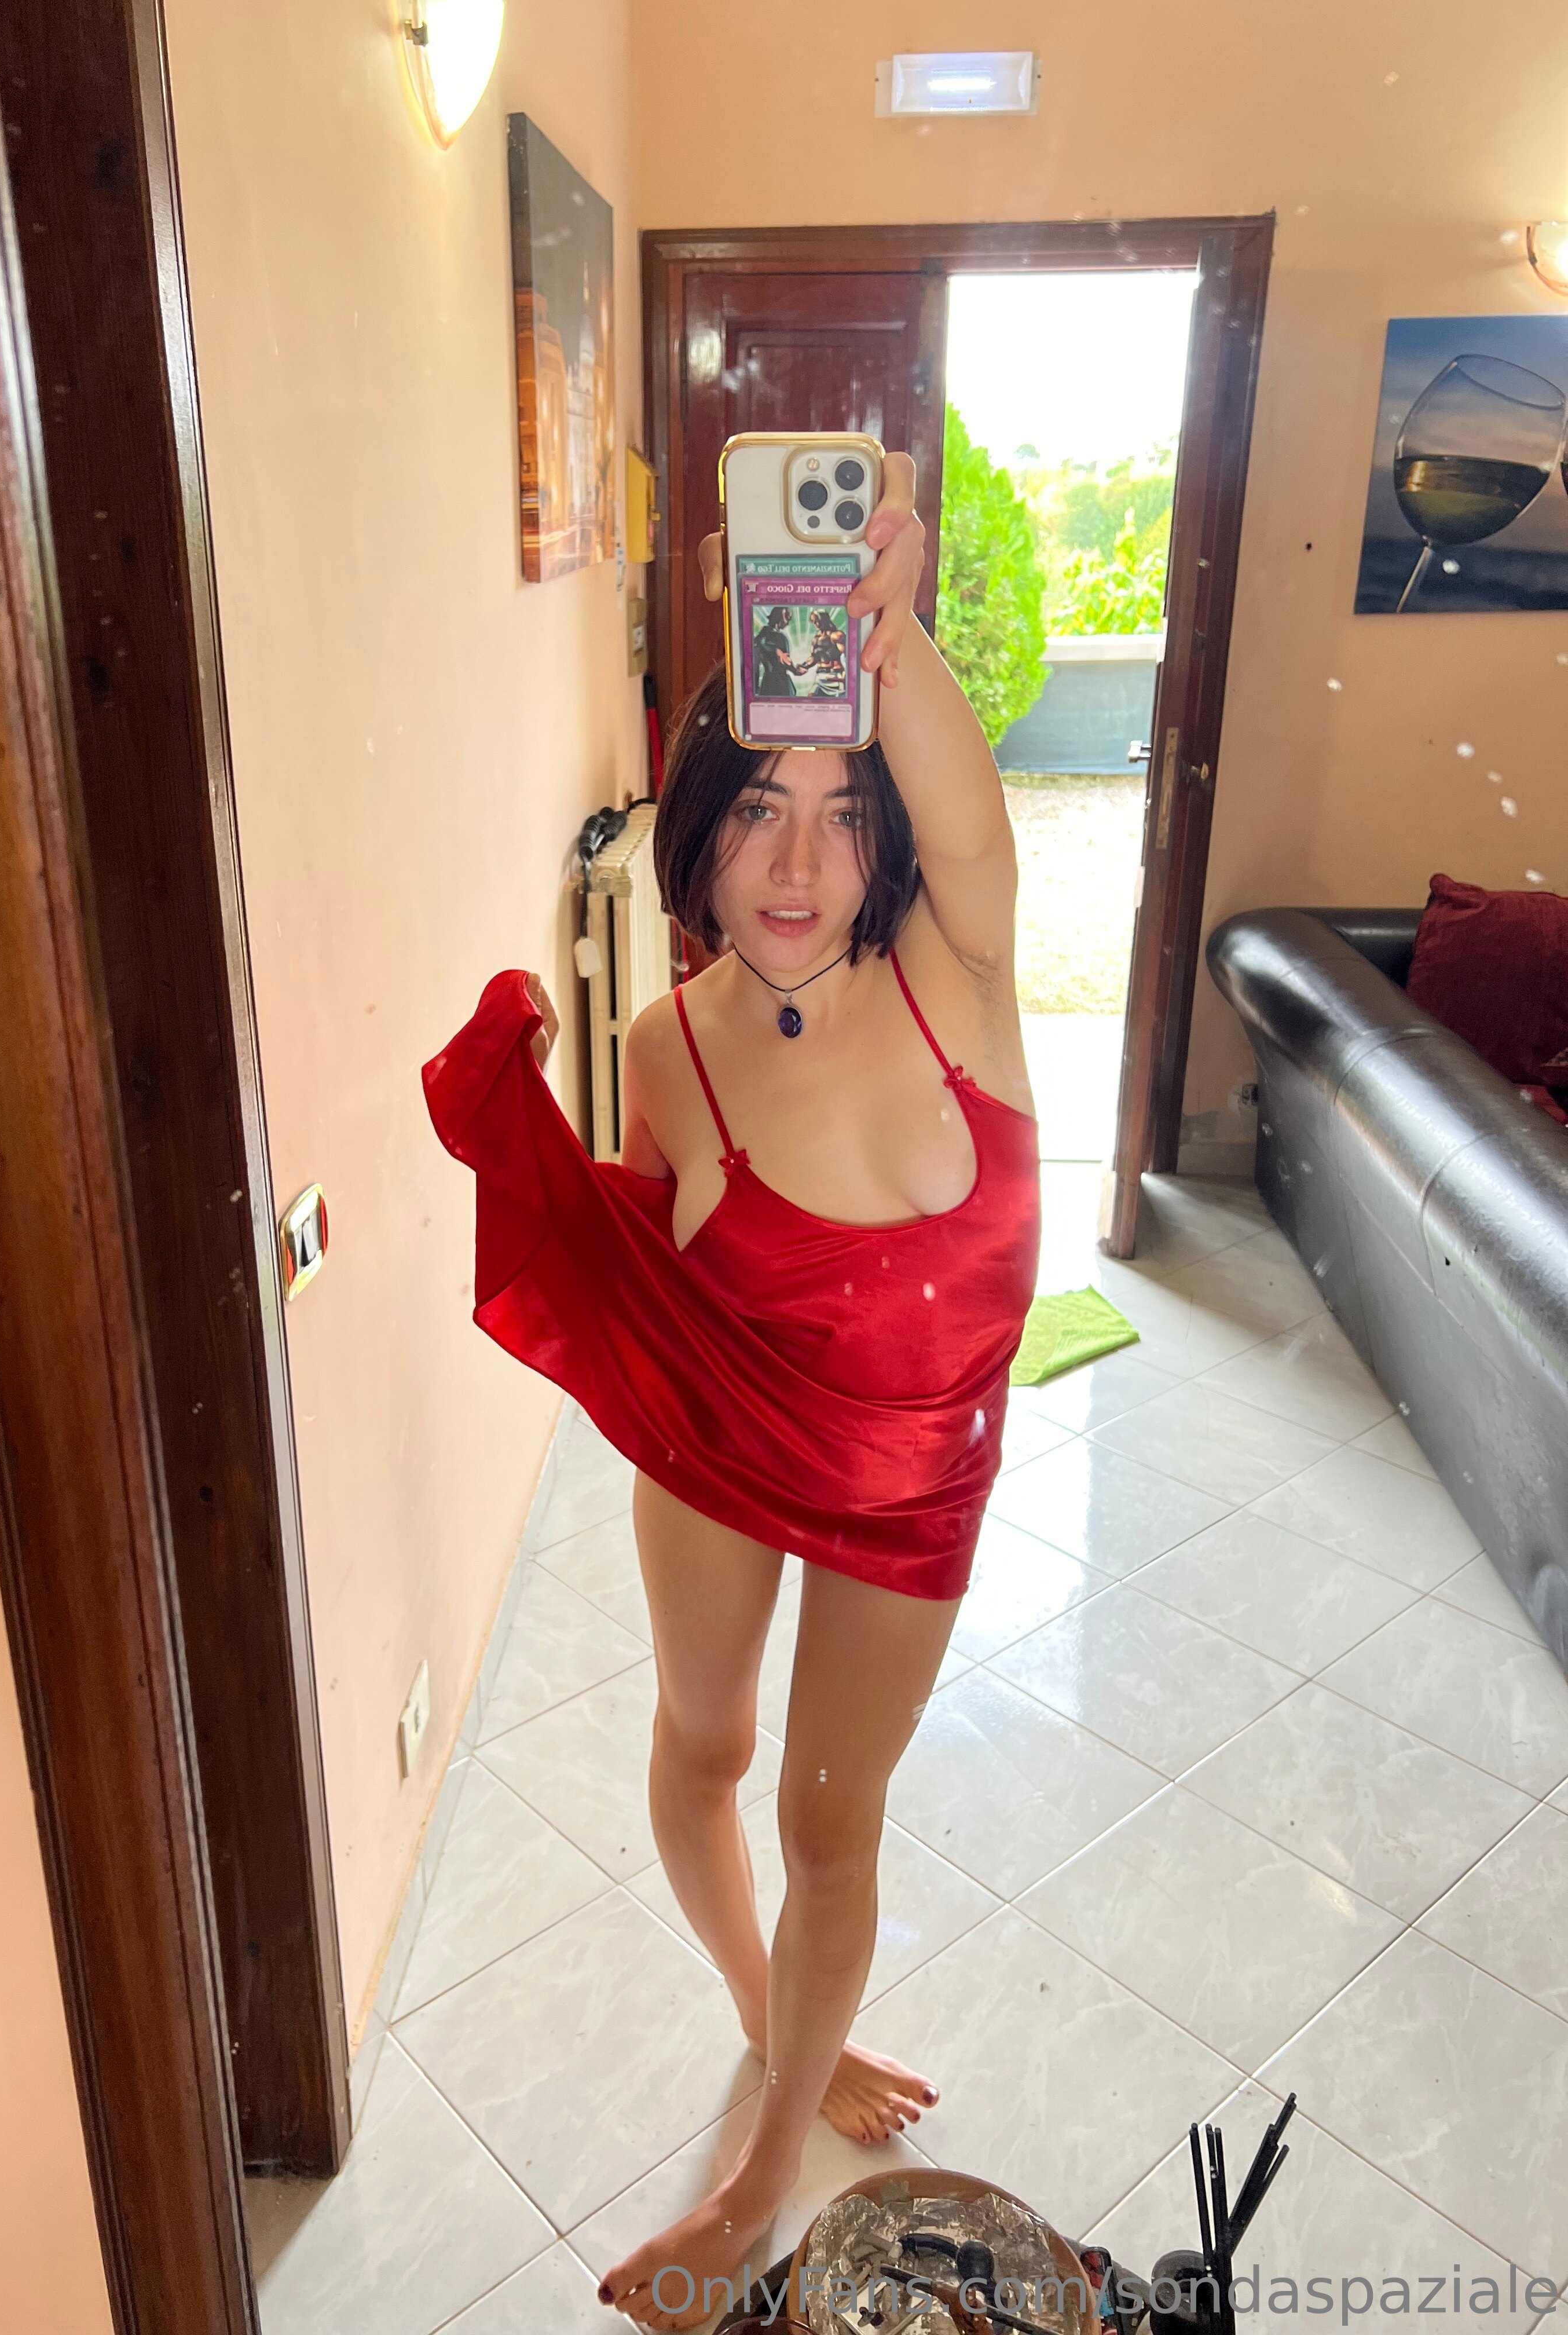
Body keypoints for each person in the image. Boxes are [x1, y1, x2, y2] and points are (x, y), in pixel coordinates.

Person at [421, 453, 1039, 2331]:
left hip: (912, 1483)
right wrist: (539, 1161)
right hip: (720, 1437)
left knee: (831, 1825)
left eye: (842, 816)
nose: (795, 867)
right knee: (704, 1756)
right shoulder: (665, 1044)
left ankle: (762, 2173)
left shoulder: (960, 973)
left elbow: (965, 814)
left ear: (892, 846)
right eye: (758, 807)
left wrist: (892, 634)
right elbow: (660, 1268)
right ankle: (776, 2016)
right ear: (697, 832)